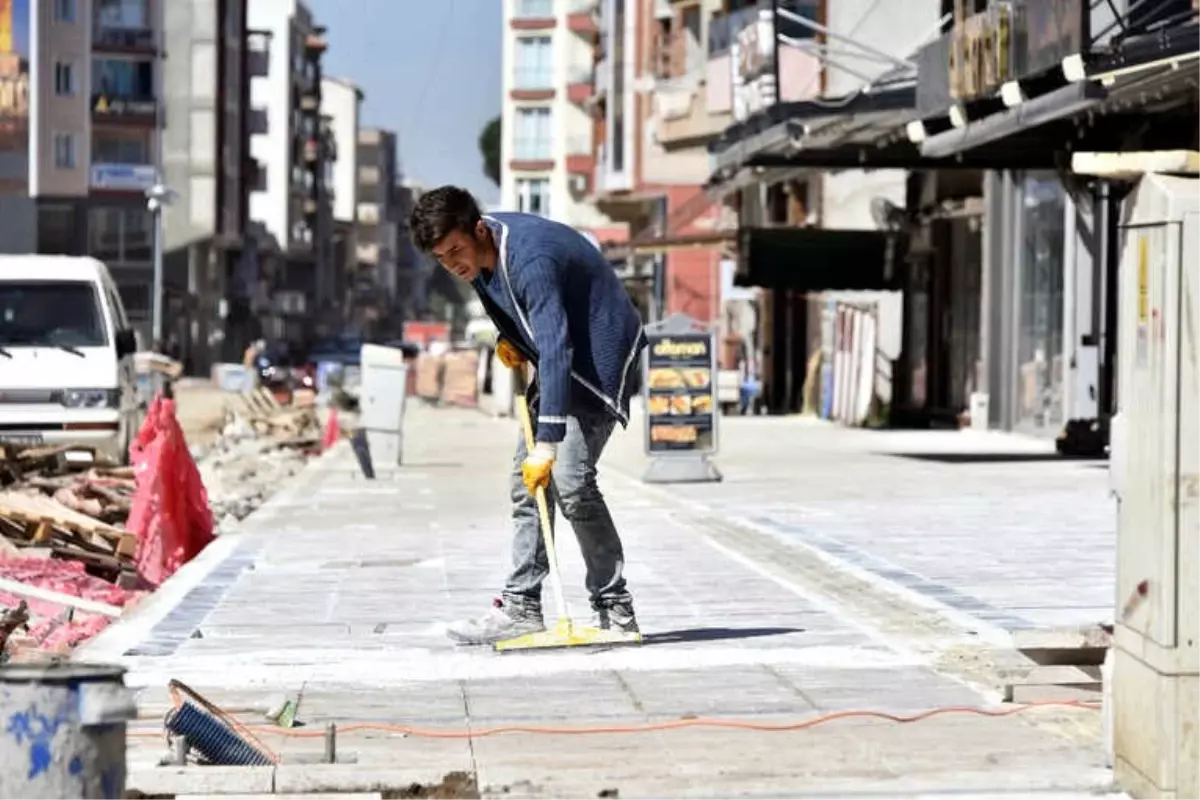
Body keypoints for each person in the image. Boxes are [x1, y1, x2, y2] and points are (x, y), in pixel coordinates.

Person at [410, 186, 647, 645]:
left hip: (598, 353)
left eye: (456, 250)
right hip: (561, 354)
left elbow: (557, 346)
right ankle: (521, 606)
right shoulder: (478, 257)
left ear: (478, 230)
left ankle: (615, 608)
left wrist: (547, 442)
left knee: (572, 482)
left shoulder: (530, 258)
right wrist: (513, 341)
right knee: (528, 484)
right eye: (441, 258)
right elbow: (522, 320)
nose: (452, 264)